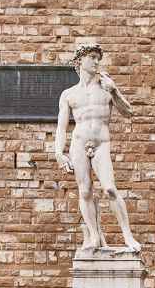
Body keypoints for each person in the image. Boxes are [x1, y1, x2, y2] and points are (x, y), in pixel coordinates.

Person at [55, 43, 141, 254]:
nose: (96, 61)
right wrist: (59, 153)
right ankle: (94, 235)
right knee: (84, 191)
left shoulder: (106, 87)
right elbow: (61, 126)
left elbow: (129, 112)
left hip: (102, 143)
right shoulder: (69, 94)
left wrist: (115, 90)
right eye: (92, 57)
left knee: (110, 188)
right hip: (79, 143)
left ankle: (128, 236)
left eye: (97, 58)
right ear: (80, 61)